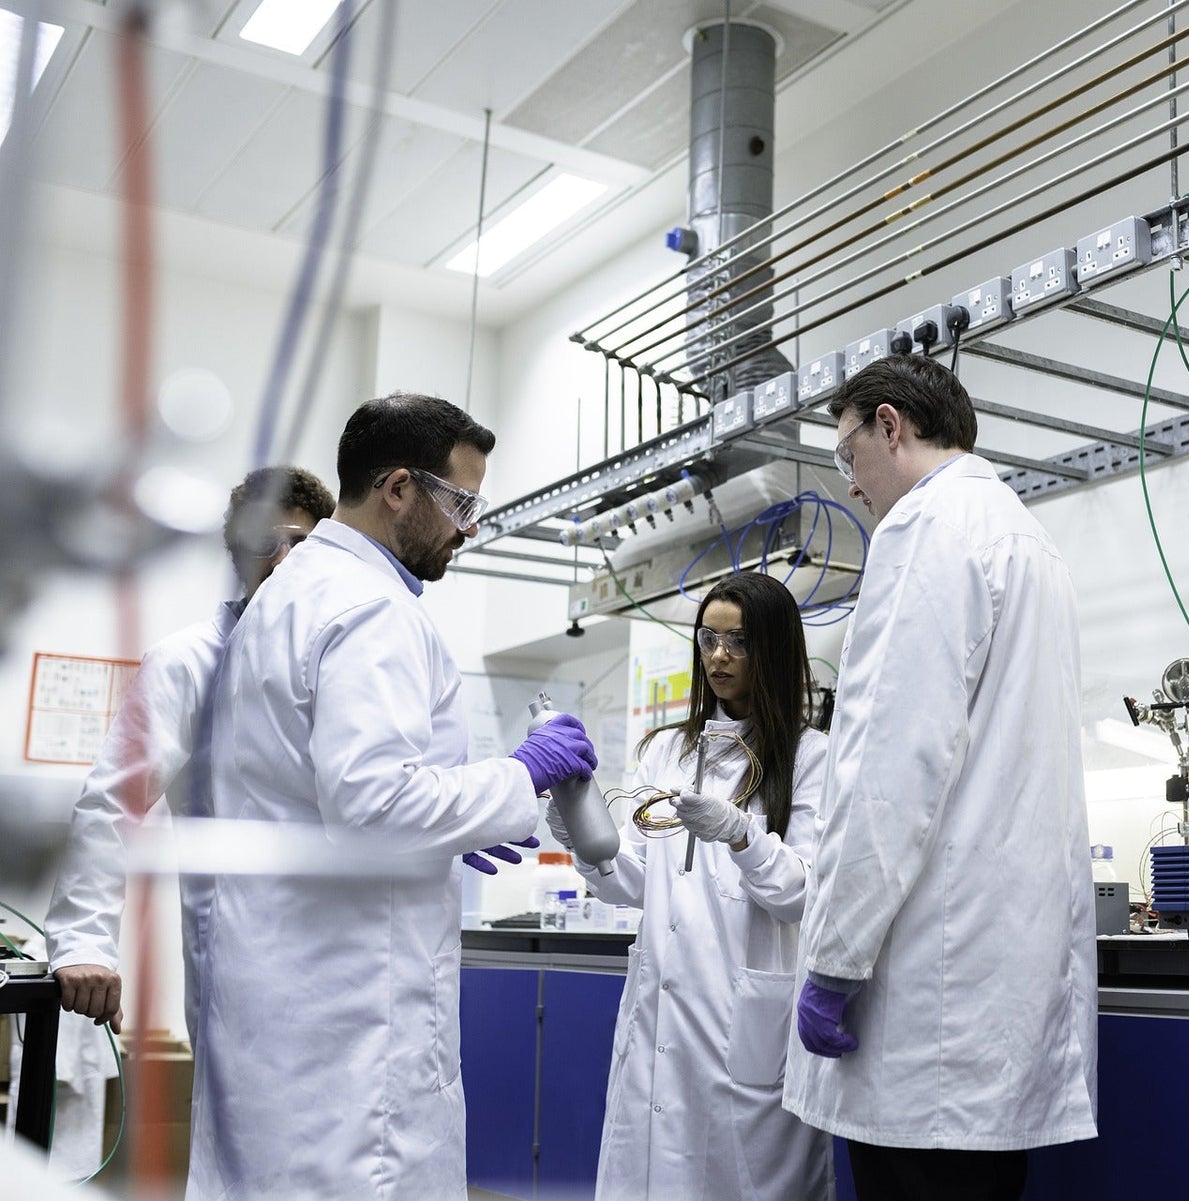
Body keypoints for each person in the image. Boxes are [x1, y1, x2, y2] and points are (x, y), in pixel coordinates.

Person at [187, 393, 597, 1201]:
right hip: (349, 1018)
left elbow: (321, 788)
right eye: (461, 502)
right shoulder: (370, 607)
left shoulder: (291, 593)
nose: (469, 527)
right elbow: (373, 804)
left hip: (283, 993)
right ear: (399, 489)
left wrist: (456, 818)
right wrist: (522, 774)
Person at [783, 355, 1097, 1201]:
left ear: (891, 425)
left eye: (848, 456)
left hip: (928, 994)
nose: (850, 485)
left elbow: (887, 771)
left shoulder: (923, 530)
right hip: (998, 986)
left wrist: (835, 961)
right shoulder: (1029, 539)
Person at [545, 571, 832, 1199]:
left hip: (746, 1018)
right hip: (661, 1011)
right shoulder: (667, 751)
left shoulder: (813, 758)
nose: (719, 657)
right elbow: (639, 883)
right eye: (708, 639)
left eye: (739, 642)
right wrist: (583, 838)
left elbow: (801, 894)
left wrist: (742, 836)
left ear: (776, 650)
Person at [45, 465, 336, 1043]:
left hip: (344, 966)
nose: (281, 561)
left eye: (300, 544)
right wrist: (83, 940)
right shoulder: (187, 661)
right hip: (238, 972)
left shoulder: (345, 665)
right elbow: (112, 805)